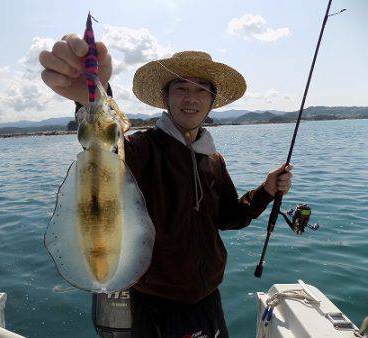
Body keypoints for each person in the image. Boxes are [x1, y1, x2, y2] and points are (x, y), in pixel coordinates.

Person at [39, 35, 292, 338]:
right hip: (157, 302)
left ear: (211, 102)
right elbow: (106, 145)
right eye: (181, 88)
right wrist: (91, 94)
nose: (191, 97)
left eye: (201, 90)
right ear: (166, 98)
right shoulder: (142, 148)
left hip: (208, 296)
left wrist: (265, 190)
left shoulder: (213, 159)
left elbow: (229, 218)